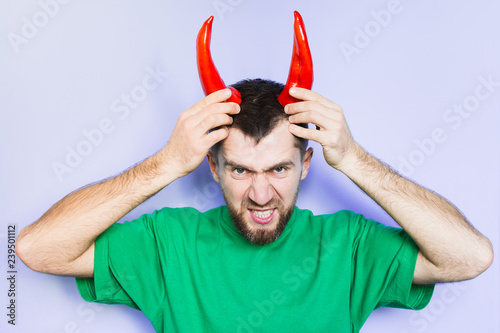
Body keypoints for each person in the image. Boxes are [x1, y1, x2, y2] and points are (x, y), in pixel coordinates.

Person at [17, 78, 493, 332]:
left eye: (279, 170)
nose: (261, 195)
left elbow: (469, 258)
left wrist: (354, 159)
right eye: (241, 170)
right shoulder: (169, 243)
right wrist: (165, 164)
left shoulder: (348, 245)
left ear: (306, 164)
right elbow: (38, 249)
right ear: (212, 168)